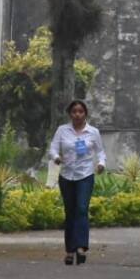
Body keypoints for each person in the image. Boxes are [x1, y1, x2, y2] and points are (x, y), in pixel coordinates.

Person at [49, 100, 106, 265]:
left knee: (81, 209)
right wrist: (56, 157)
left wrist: (101, 164)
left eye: (80, 111)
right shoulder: (62, 130)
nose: (77, 115)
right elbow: (53, 148)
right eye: (74, 111)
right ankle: (69, 250)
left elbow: (100, 152)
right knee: (70, 212)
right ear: (70, 114)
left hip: (85, 175)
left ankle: (81, 247)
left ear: (85, 113)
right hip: (66, 176)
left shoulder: (93, 132)